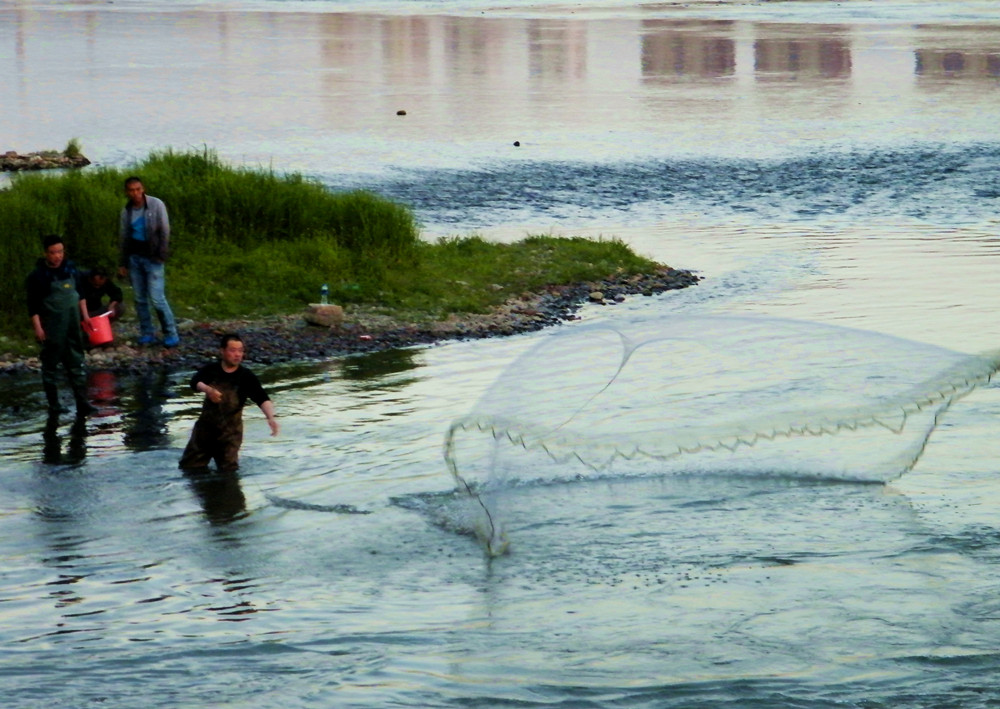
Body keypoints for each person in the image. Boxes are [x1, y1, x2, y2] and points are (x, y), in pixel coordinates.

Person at [179, 333, 279, 473]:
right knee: (189, 469)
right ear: (222, 351)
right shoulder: (211, 370)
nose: (237, 355)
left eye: (240, 351)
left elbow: (262, 398)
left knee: (229, 473)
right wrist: (208, 390)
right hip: (204, 431)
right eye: (233, 350)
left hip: (230, 434)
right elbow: (195, 382)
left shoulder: (246, 376)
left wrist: (271, 417)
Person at [25, 234, 97, 417]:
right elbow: (32, 305)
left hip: (73, 325)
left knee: (76, 363)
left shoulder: (71, 269)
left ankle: (83, 403)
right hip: (52, 328)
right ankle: (54, 405)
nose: (57, 256)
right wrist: (38, 328)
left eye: (60, 252)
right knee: (50, 366)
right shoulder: (38, 276)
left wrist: (86, 316)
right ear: (45, 254)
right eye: (53, 253)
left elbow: (80, 294)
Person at [118, 176, 180, 347]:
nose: (135, 193)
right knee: (139, 298)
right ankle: (147, 332)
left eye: (138, 189)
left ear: (143, 189)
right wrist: (123, 262)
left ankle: (171, 332)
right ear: (127, 192)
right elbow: (123, 237)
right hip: (135, 259)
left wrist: (162, 254)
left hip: (153, 258)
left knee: (157, 298)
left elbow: (165, 230)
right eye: (131, 190)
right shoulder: (126, 212)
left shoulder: (156, 205)